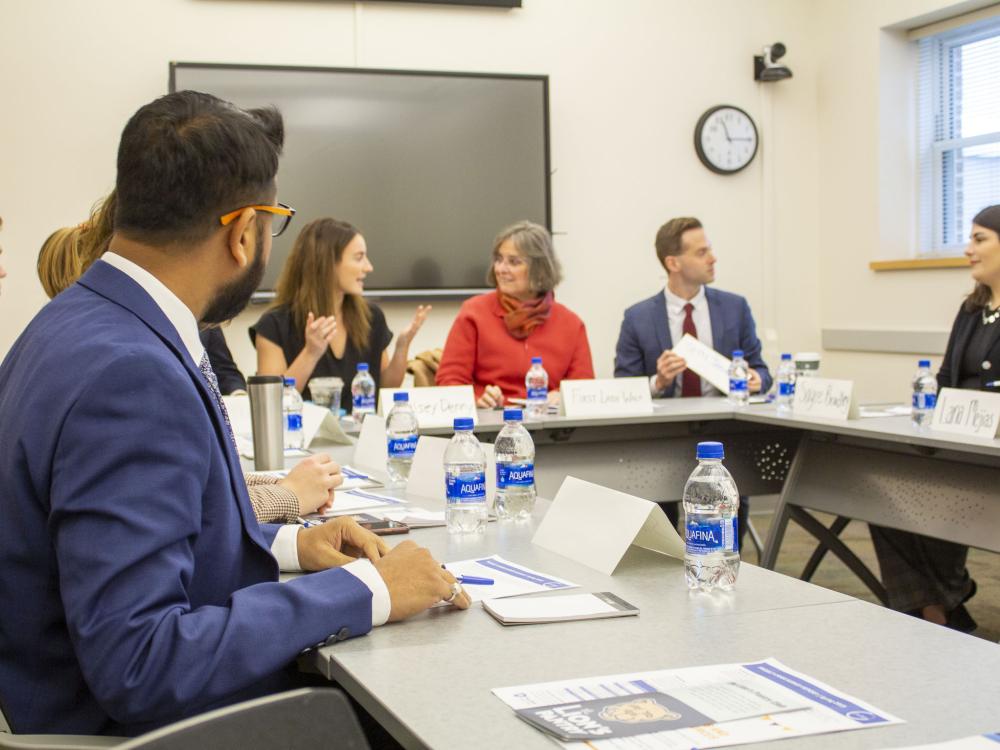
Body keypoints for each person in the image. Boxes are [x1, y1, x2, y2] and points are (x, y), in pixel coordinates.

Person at [0, 91, 469, 736]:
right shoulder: (131, 375)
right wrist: (371, 591)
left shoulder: (73, 324)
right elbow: (142, 661)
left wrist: (290, 546)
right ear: (243, 231)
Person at [36, 201, 327, 524]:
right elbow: (178, 515)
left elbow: (195, 484)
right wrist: (288, 496)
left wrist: (280, 492)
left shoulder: (66, 335)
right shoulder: (132, 366)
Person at [868, 204, 1000, 632]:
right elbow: (944, 379)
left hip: (989, 455)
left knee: (940, 497)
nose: (969, 250)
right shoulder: (971, 309)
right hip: (955, 443)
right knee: (878, 490)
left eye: (980, 239)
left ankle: (940, 605)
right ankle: (938, 608)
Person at [614, 217, 771, 541]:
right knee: (659, 526)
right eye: (701, 252)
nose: (712, 258)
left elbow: (763, 371)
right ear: (673, 262)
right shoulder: (638, 317)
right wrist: (657, 382)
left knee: (727, 512)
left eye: (709, 249)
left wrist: (756, 379)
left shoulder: (734, 308)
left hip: (723, 432)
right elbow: (623, 386)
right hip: (660, 439)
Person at [252, 218, 429, 411]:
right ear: (328, 263)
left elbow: (386, 386)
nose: (369, 267)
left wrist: (402, 347)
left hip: (359, 437)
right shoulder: (274, 325)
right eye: (359, 257)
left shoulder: (371, 317)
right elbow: (270, 405)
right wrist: (310, 353)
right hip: (301, 438)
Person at [436, 220, 595, 407]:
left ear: (540, 270)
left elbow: (584, 388)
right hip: (489, 427)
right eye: (498, 259)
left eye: (513, 262)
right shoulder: (474, 313)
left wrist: (563, 396)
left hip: (552, 430)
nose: (500, 269)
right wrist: (478, 400)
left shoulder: (571, 323)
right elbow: (449, 381)